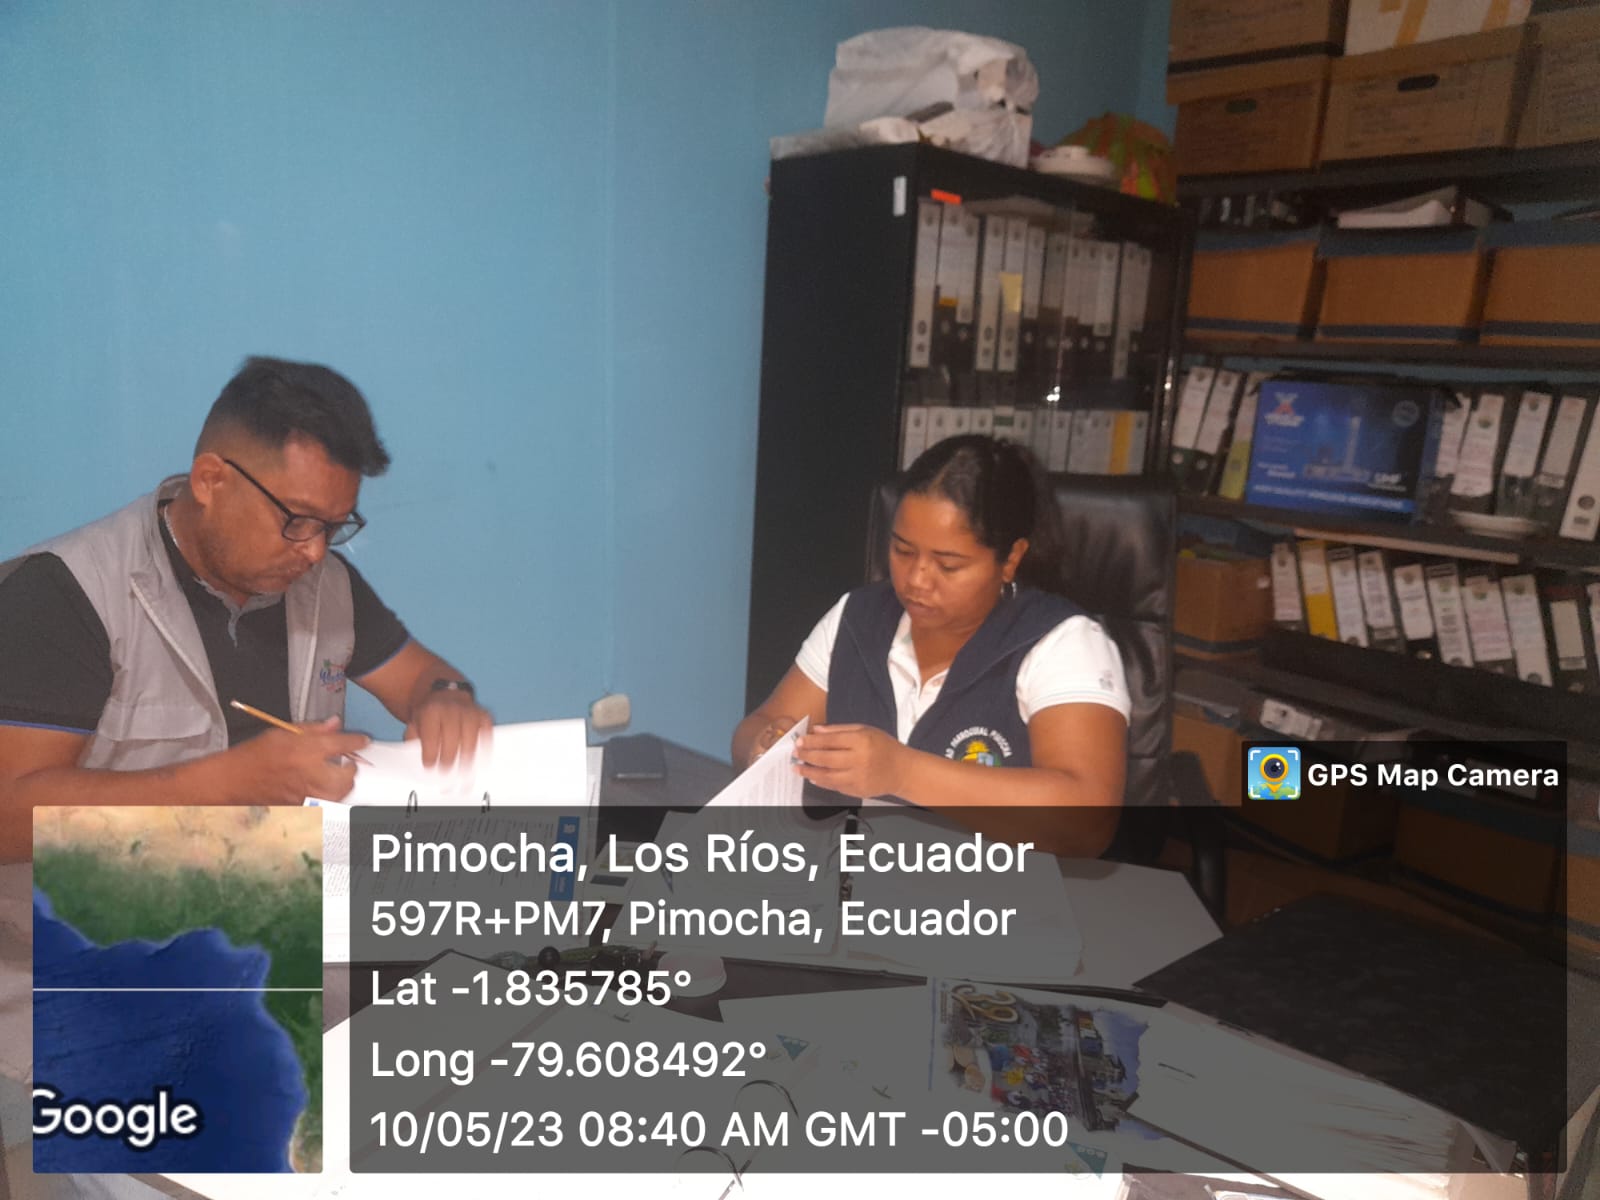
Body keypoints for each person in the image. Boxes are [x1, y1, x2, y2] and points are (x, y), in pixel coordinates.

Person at [0, 356, 493, 860]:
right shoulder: (63, 590)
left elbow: (422, 677)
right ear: (210, 480)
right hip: (101, 906)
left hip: (275, 894)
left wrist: (446, 696)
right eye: (297, 519)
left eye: (333, 526)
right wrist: (223, 786)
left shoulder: (326, 584)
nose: (315, 551)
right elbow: (7, 818)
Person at [733, 435, 1128, 857]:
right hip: (855, 879)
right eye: (903, 551)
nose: (917, 580)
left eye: (947, 564)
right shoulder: (858, 618)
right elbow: (758, 726)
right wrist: (764, 746)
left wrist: (901, 772)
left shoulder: (1062, 643)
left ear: (1011, 559)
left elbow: (1087, 823)